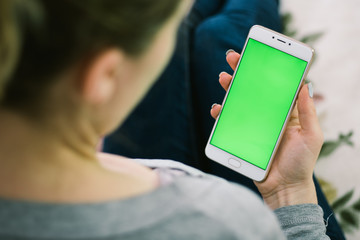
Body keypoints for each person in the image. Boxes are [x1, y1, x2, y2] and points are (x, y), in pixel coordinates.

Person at [0, 0, 330, 239]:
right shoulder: (229, 223)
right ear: (104, 75)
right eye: (166, 32)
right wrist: (290, 192)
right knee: (221, 33)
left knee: (216, 31)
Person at [103, 0, 345, 239]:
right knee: (218, 33)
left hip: (161, 196)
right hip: (277, 219)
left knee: (176, 30)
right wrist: (289, 191)